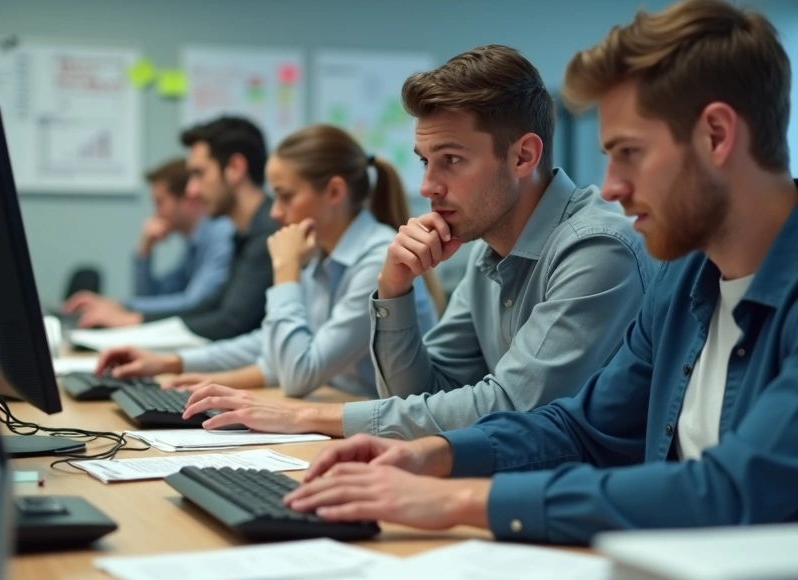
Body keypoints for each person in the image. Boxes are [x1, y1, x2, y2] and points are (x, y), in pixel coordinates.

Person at [281, 0, 798, 544]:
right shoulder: (688, 280)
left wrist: (456, 498)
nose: (612, 186)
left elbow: (729, 491)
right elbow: (580, 426)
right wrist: (437, 455)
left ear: (716, 136)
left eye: (629, 153)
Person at [179, 45, 652, 437]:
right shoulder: (488, 249)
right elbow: (423, 394)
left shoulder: (596, 248)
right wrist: (394, 291)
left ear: (523, 156)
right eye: (425, 161)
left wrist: (308, 417)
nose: (427, 186)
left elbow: (510, 407)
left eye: (451, 160)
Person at [94, 125, 441, 397]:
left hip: (378, 429)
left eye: (285, 196)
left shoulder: (376, 260)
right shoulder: (321, 252)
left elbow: (299, 373)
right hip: (336, 410)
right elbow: (273, 346)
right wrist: (172, 364)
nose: (275, 212)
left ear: (334, 193)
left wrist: (285, 271)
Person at [75, 116, 279, 340]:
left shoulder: (268, 232)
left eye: (199, 174)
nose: (192, 191)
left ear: (235, 168)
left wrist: (132, 321)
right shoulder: (242, 233)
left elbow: (230, 321)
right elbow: (210, 305)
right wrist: (134, 318)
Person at [61, 159, 234, 328]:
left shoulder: (221, 233)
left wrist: (123, 308)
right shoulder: (194, 243)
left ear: (187, 199)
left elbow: (194, 303)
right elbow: (152, 295)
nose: (155, 213)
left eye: (160, 203)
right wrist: (144, 250)